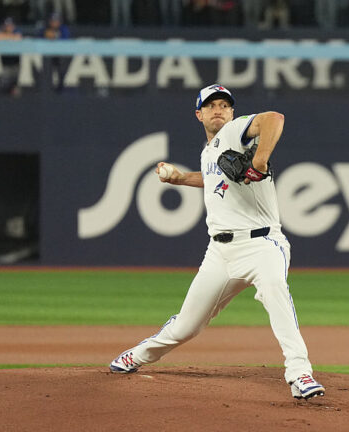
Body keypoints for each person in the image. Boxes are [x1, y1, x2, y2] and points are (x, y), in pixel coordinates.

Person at [108, 84, 325, 400]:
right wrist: (182, 178)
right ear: (199, 114)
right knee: (186, 325)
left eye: (225, 104)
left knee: (275, 291)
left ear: (233, 112)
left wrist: (260, 161)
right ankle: (139, 355)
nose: (219, 109)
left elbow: (274, 118)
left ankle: (300, 374)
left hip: (262, 245)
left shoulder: (236, 131)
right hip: (220, 252)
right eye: (211, 106)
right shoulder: (210, 150)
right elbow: (213, 178)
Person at [0, 18, 22, 97]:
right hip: (6, 64)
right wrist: (10, 37)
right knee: (4, 82)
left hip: (15, 63)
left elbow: (18, 38)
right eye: (7, 26)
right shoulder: (1, 31)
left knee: (15, 84)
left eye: (10, 25)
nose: (9, 27)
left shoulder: (17, 31)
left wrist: (7, 37)